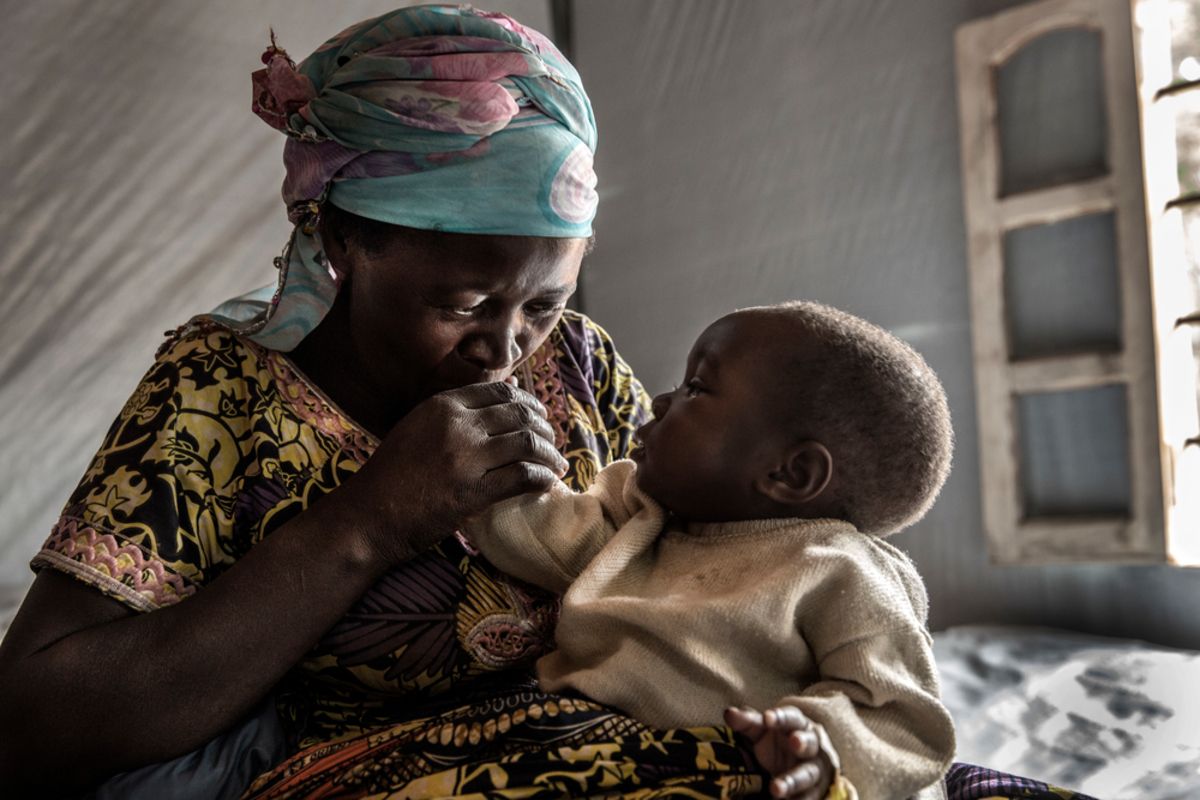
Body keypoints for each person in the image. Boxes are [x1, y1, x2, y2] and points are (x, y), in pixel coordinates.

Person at [0, 6, 1105, 800]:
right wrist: (368, 519)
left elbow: (720, 547)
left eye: (546, 298)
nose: (507, 344)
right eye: (469, 300)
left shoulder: (571, 360)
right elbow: (36, 729)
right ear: (341, 238)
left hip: (675, 739)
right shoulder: (218, 391)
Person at [464, 301, 957, 800]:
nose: (659, 401)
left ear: (791, 473)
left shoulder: (841, 570)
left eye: (695, 389)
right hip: (582, 753)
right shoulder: (639, 513)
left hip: (737, 768)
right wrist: (481, 466)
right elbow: (538, 535)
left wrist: (813, 743)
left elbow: (901, 717)